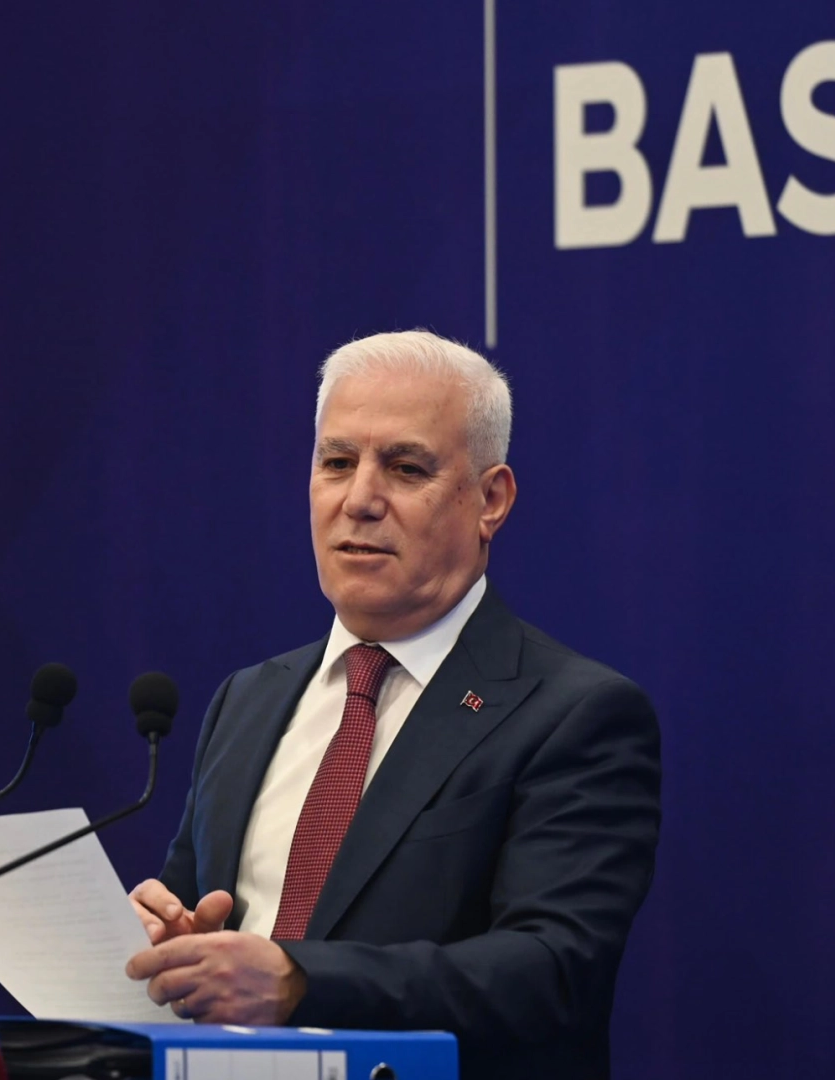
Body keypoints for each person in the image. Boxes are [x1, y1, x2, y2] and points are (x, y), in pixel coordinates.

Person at [125, 330, 661, 1079]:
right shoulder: (248, 699)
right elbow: (202, 917)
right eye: (337, 463)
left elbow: (551, 972)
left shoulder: (575, 714)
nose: (360, 500)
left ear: (491, 500)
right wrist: (171, 941)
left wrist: (301, 982)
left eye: (406, 468)